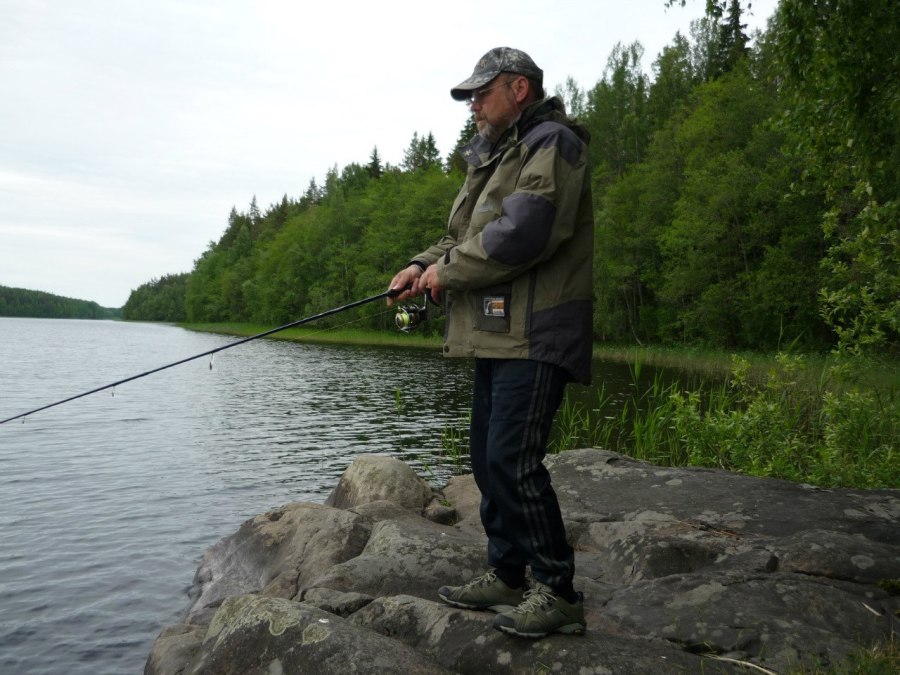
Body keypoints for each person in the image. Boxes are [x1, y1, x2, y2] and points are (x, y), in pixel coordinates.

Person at [388, 47, 593, 638]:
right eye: (471, 96)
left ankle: (557, 590)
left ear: (519, 89)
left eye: (482, 93)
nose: (474, 105)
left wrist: (445, 274)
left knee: (512, 461)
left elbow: (523, 232)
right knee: (485, 460)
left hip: (539, 332)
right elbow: (461, 236)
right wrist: (417, 266)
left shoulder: (553, 143)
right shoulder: (496, 155)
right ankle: (507, 572)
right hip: (499, 334)